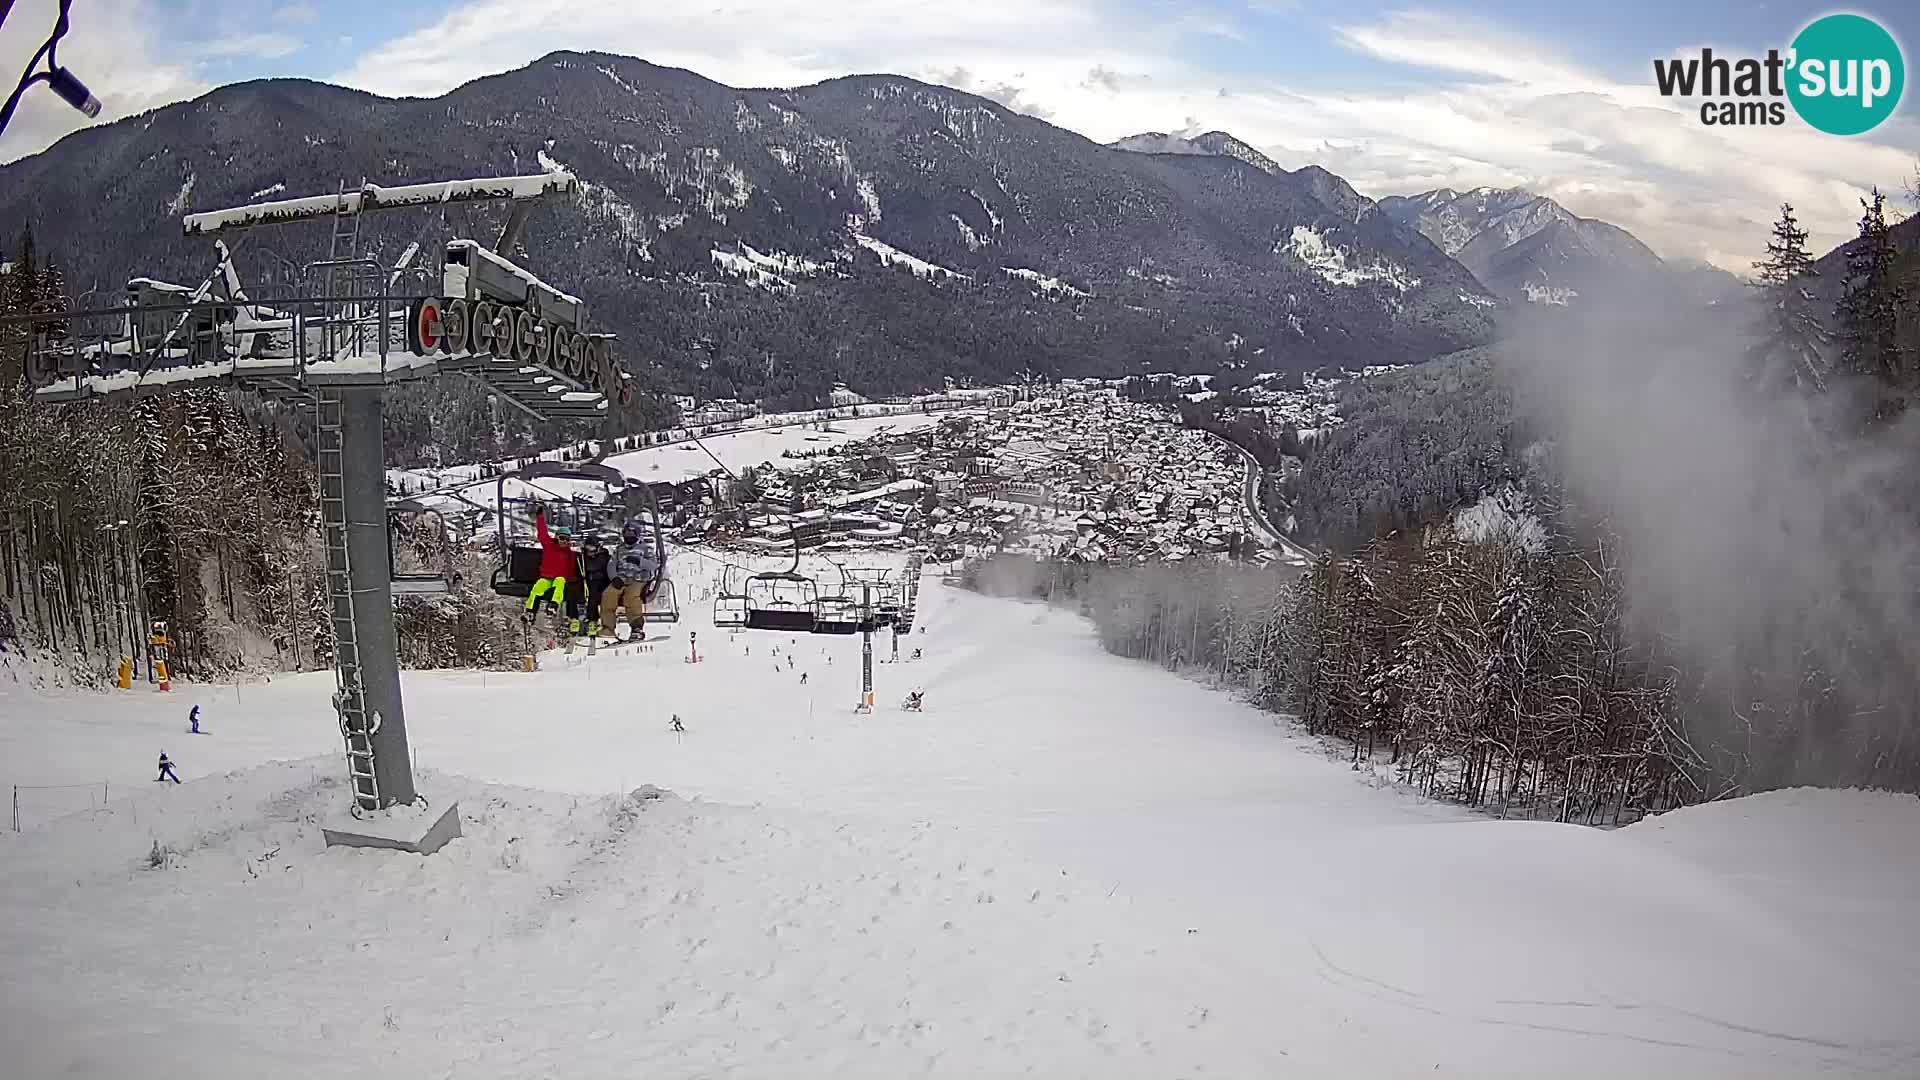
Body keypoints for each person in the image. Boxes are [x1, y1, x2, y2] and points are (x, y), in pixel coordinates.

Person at [524, 507, 578, 629]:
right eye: (562, 538)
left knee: (560, 583)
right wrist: (540, 517)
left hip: (560, 577)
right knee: (537, 587)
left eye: (567, 539)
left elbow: (570, 568)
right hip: (546, 577)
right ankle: (530, 611)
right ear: (557, 537)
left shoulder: (569, 553)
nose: (564, 541)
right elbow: (542, 532)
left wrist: (572, 579)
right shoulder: (549, 545)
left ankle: (553, 605)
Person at [601, 526, 659, 637]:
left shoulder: (646, 548)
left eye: (632, 535)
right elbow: (611, 564)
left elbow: (653, 565)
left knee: (631, 597)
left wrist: (640, 561)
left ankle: (636, 627)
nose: (629, 538)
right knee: (608, 594)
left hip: (638, 579)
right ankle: (608, 627)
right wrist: (614, 577)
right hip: (622, 578)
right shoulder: (619, 549)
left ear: (637, 535)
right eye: (627, 535)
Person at [578, 532, 613, 637]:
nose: (590, 552)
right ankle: (577, 619)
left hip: (601, 582)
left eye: (592, 549)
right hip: (587, 581)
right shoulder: (583, 557)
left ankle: (593, 619)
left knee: (593, 593)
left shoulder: (604, 557)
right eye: (588, 549)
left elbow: (607, 571)